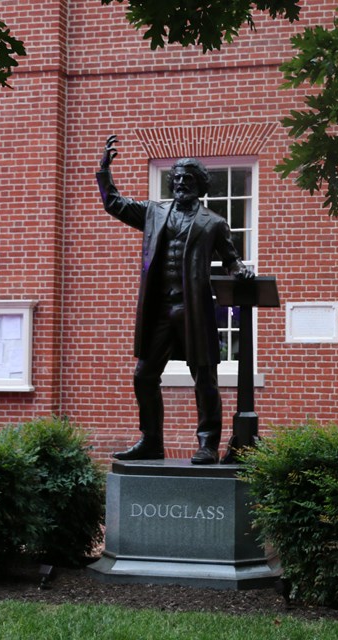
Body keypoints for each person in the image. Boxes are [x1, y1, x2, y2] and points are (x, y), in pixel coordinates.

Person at [96, 135, 254, 464]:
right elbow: (115, 204)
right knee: (143, 375)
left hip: (193, 309)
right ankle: (151, 440)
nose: (181, 183)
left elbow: (231, 260)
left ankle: (207, 442)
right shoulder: (154, 213)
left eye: (188, 179)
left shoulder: (213, 223)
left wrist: (242, 271)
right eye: (177, 178)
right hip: (160, 309)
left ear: (199, 184)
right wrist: (104, 172)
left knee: (204, 376)